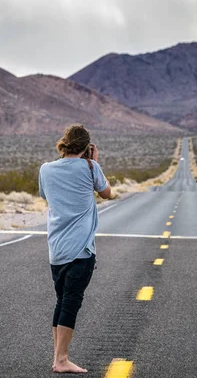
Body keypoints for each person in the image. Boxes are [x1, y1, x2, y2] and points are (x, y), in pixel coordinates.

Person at [38, 124, 112, 374]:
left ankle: (58, 357)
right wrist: (94, 163)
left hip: (56, 249)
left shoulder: (46, 169)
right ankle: (61, 360)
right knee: (71, 302)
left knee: (62, 300)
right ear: (87, 146)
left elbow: (45, 196)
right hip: (80, 250)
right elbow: (107, 193)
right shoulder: (91, 167)